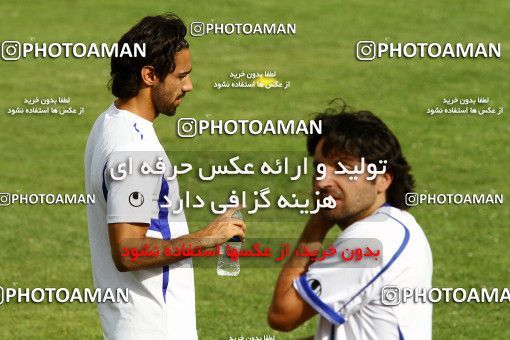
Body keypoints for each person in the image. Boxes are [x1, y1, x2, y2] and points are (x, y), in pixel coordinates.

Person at [84, 13, 246, 339]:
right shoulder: (135, 149)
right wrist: (207, 237)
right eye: (181, 76)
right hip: (155, 327)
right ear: (149, 75)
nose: (189, 86)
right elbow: (128, 251)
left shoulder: (108, 123)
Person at [267, 103, 432, 340]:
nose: (323, 181)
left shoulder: (370, 241)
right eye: (319, 167)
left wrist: (317, 226)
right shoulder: (401, 226)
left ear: (383, 180)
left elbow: (282, 315)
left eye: (343, 168)